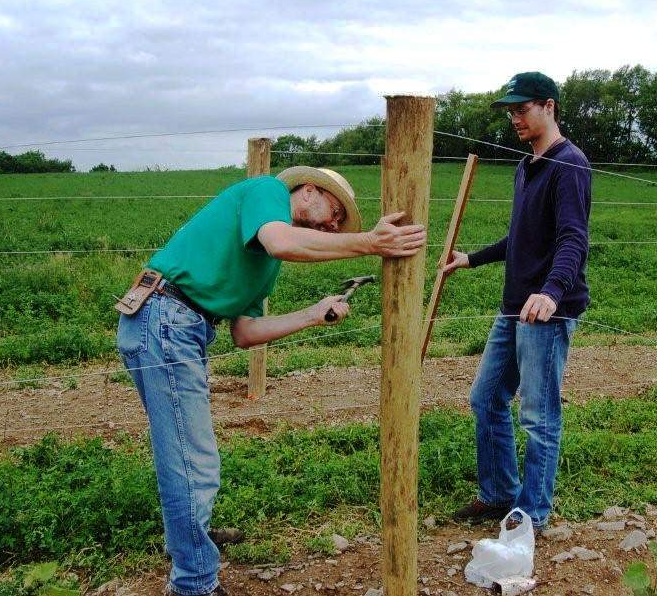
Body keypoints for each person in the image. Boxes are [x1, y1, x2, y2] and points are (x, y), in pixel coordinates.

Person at [115, 166, 427, 596]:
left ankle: (193, 539)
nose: (332, 225)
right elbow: (282, 241)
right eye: (334, 213)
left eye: (338, 224)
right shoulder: (269, 191)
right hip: (167, 317)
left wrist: (314, 314)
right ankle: (193, 584)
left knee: (190, 455)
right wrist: (370, 243)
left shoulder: (263, 263)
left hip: (176, 324)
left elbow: (245, 333)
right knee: (193, 463)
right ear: (311, 191)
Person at [444, 72, 592, 529]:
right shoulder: (527, 166)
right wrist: (473, 258)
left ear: (549, 106)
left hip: (545, 312)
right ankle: (498, 494)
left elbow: (573, 239)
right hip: (513, 307)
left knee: (538, 415)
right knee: (486, 398)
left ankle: (532, 514)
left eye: (522, 109)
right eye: (510, 111)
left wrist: (551, 293)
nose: (515, 118)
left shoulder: (570, 164)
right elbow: (521, 237)